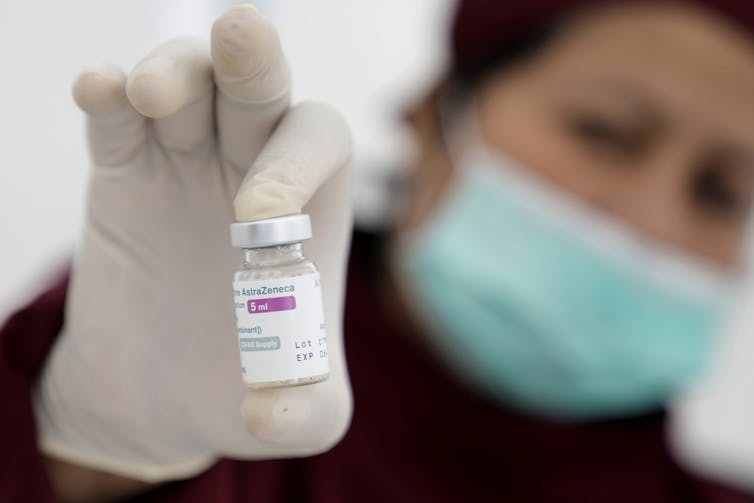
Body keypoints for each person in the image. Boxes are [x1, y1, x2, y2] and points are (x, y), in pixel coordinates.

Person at [2, 0, 754, 501]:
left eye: (722, 192)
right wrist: (90, 463)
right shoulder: (211, 389)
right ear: (433, 113)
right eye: (606, 132)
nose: (647, 217)